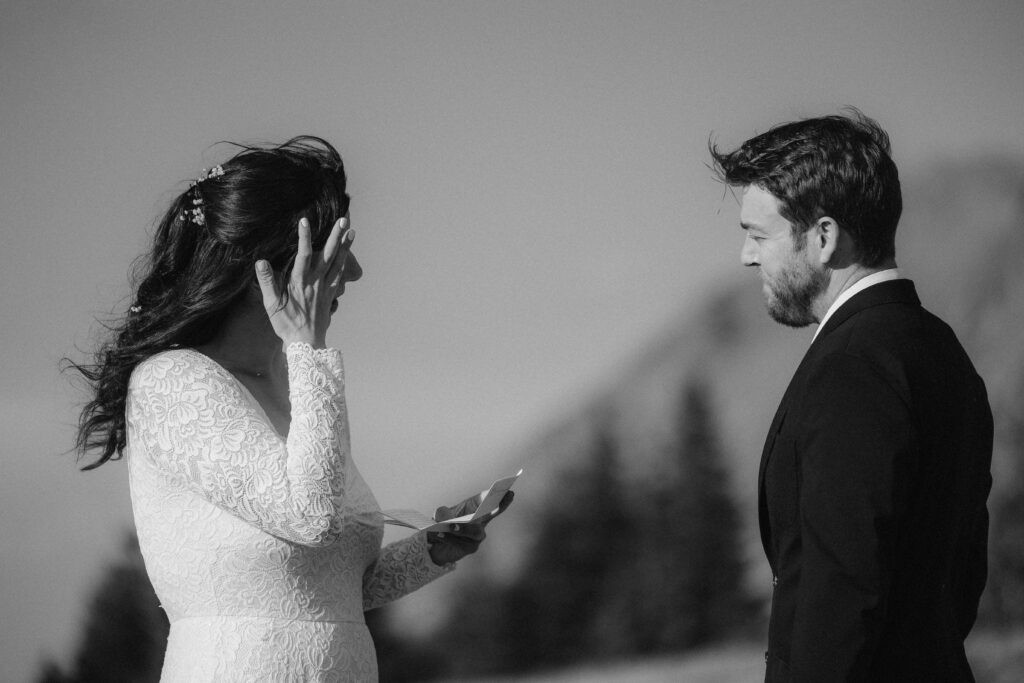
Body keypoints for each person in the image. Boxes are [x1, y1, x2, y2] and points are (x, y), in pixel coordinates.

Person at [71, 136, 511, 681]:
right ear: (274, 264)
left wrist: (432, 552)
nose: (353, 274)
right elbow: (311, 517)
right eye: (336, 251)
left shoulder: (291, 380)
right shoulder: (172, 382)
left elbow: (330, 590)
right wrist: (310, 350)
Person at [709, 112, 993, 682]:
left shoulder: (853, 369)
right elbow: (961, 577)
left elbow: (841, 591)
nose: (746, 255)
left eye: (759, 235)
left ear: (823, 237)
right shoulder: (939, 350)